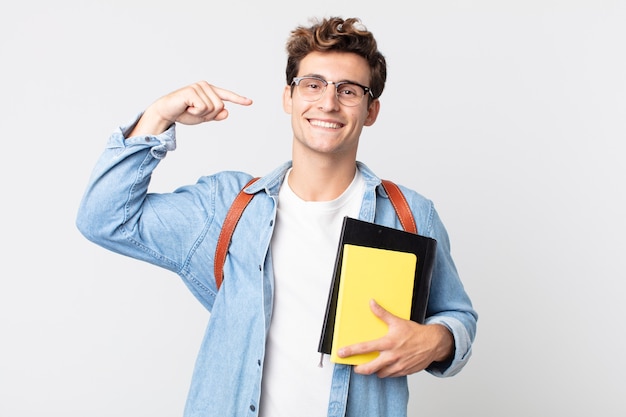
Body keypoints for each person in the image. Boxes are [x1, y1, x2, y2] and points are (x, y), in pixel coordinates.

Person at [76, 16, 477, 417]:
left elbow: (456, 315)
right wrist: (158, 116)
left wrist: (437, 341)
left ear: (371, 110)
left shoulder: (408, 214)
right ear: (289, 97)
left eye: (349, 90)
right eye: (313, 85)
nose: (328, 102)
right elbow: (104, 217)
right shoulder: (228, 207)